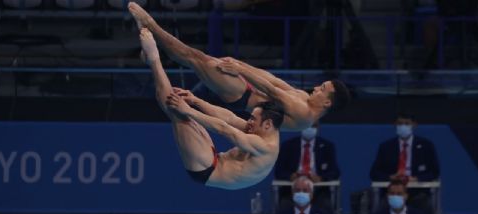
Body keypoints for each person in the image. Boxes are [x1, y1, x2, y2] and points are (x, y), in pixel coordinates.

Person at [128, 2, 351, 131]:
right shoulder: (303, 96)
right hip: (246, 85)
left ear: (328, 102)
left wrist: (241, 71)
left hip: (241, 96)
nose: (317, 88)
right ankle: (150, 49)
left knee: (194, 58)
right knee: (196, 59)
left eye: (322, 89)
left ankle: (151, 28)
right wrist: (240, 65)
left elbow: (272, 92)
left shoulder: (304, 115)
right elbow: (272, 80)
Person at [139, 28, 283, 190]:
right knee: (180, 108)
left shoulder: (264, 147)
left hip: (207, 169)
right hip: (214, 157)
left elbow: (224, 129)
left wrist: (188, 110)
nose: (248, 122)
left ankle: (153, 60)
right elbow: (230, 119)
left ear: (268, 124)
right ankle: (153, 64)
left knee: (176, 111)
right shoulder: (260, 131)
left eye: (253, 119)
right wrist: (196, 101)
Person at [369, 112, 440, 214]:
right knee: (382, 209)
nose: (403, 126)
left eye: (406, 123)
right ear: (394, 125)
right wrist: (390, 177)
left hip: (418, 192)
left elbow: (434, 172)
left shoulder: (426, 145)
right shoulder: (386, 147)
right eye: (400, 123)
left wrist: (416, 179)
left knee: (423, 207)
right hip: (393, 191)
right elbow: (374, 173)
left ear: (414, 125)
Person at [274, 120, 341, 211]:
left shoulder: (327, 146)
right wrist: (290, 176)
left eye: (313, 126)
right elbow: (278, 171)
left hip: (318, 191)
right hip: (292, 190)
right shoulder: (288, 146)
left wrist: (320, 178)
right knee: (285, 205)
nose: (310, 129)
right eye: (307, 126)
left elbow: (335, 172)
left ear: (318, 128)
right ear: (301, 127)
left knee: (325, 205)